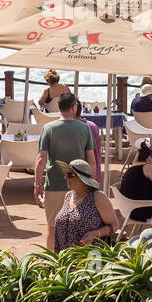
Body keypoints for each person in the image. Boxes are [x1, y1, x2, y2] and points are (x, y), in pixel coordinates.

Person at [34, 93, 97, 250]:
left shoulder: (48, 128)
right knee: (79, 229)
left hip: (54, 185)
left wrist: (37, 184)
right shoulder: (85, 128)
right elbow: (92, 161)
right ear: (74, 107)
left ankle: (51, 265)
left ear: (58, 107)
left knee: (52, 228)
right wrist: (92, 186)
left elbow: (41, 160)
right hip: (79, 186)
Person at [52, 159, 118, 252]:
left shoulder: (98, 197)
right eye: (66, 174)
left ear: (82, 179)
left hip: (90, 257)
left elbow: (114, 225)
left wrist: (95, 233)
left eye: (70, 175)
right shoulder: (68, 196)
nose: (65, 177)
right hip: (65, 258)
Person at [118, 142, 152, 222]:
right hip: (143, 210)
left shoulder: (131, 168)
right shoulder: (148, 167)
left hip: (129, 209)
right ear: (149, 158)